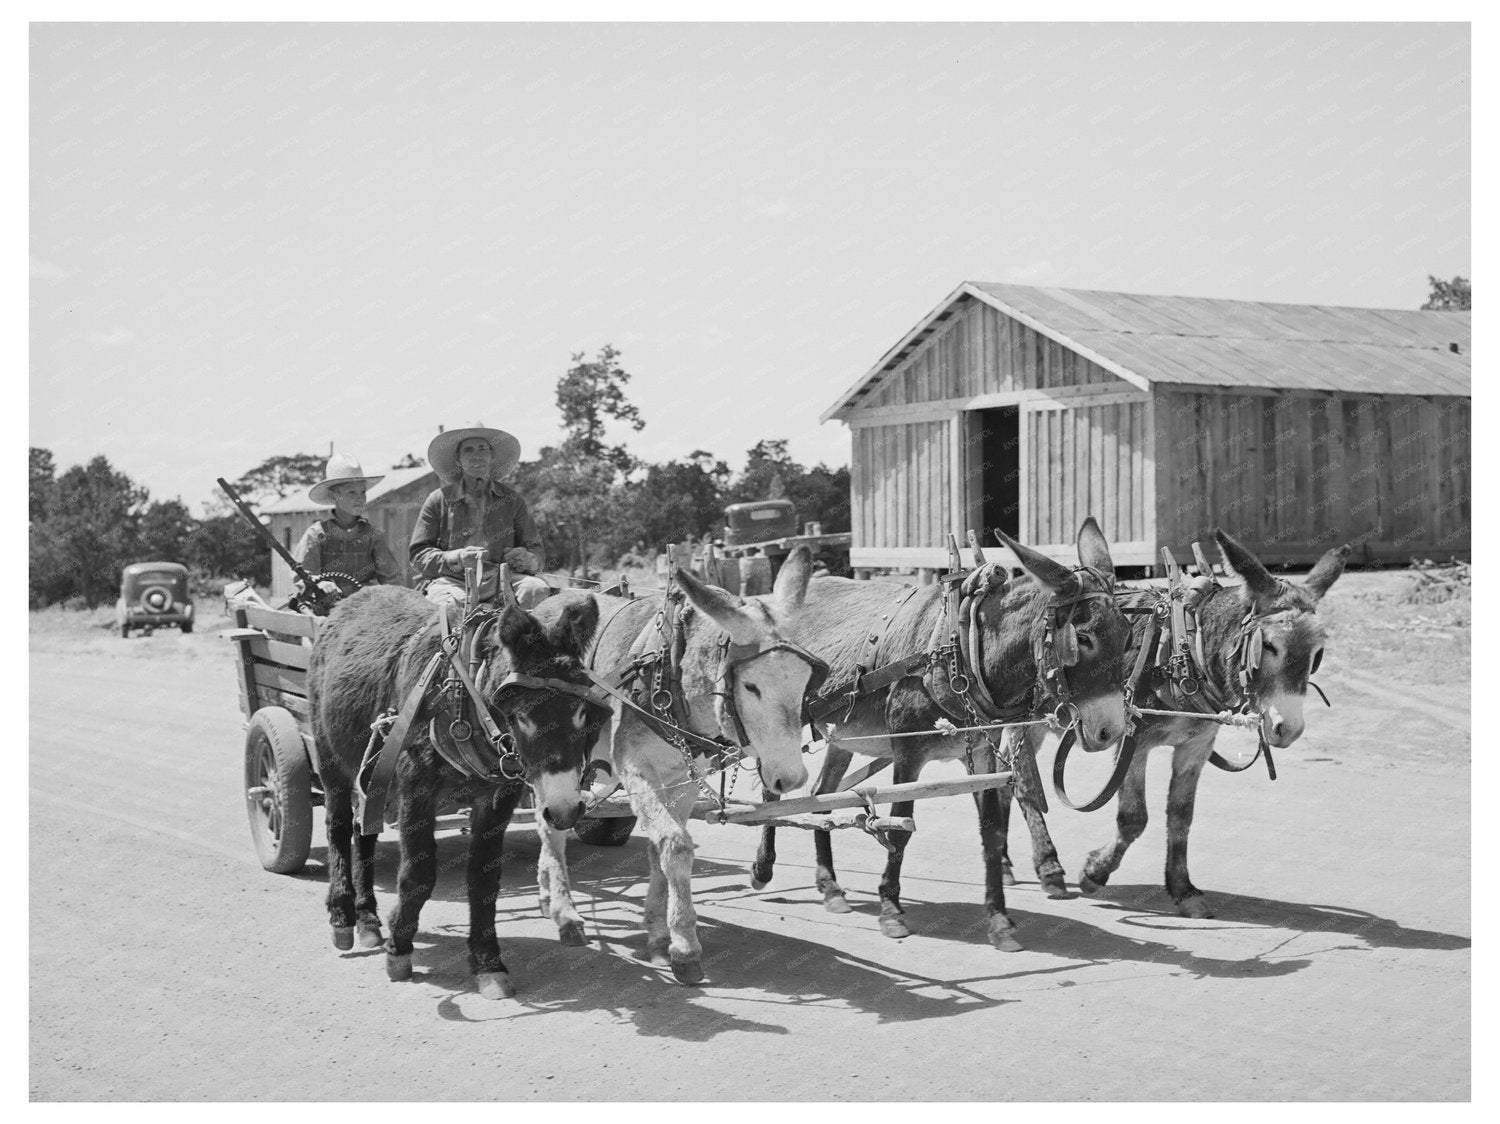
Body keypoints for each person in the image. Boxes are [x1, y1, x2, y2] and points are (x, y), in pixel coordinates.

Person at [409, 425, 551, 609]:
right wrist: (457, 558)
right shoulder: (438, 500)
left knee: (535, 589)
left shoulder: (512, 500)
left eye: (483, 449)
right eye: (468, 450)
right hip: (453, 581)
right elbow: (418, 555)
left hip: (504, 578)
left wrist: (529, 559)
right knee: (448, 607)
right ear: (458, 460)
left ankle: (529, 639)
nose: (477, 455)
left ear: (492, 457)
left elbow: (535, 547)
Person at [294, 452, 402, 589]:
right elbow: (304, 577)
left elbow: (391, 579)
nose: (360, 498)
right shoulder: (316, 534)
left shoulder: (371, 536)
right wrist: (321, 585)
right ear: (334, 497)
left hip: (363, 605)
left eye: (363, 492)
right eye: (351, 492)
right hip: (326, 606)